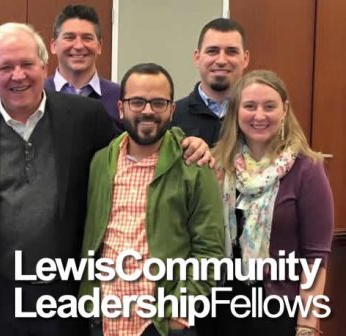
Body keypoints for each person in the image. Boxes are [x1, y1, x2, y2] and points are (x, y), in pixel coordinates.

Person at [0, 23, 212, 335]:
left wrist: (186, 142)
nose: (18, 75)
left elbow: (136, 148)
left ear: (44, 66)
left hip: (65, 295)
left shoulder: (85, 116)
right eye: (5, 67)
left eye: (27, 64)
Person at [79, 63, 224, 336]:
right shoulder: (100, 162)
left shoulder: (193, 164)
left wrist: (179, 310)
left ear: (172, 109)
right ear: (121, 108)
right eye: (137, 102)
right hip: (105, 320)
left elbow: (210, 252)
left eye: (158, 102)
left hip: (161, 325)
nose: (147, 110)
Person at [208, 70, 333, 336]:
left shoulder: (307, 169)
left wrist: (307, 325)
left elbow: (315, 256)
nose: (259, 115)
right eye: (250, 106)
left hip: (279, 312)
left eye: (269, 106)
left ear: (285, 109)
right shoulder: (217, 165)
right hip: (221, 307)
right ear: (236, 111)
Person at [172, 18, 250, 146]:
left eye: (231, 52)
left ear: (245, 59)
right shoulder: (172, 117)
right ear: (197, 58)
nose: (221, 60)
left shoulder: (257, 120)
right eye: (212, 51)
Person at [45, 4, 122, 132]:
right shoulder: (37, 95)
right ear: (53, 45)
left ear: (99, 46)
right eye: (69, 37)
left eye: (87, 38)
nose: (79, 46)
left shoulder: (119, 97)